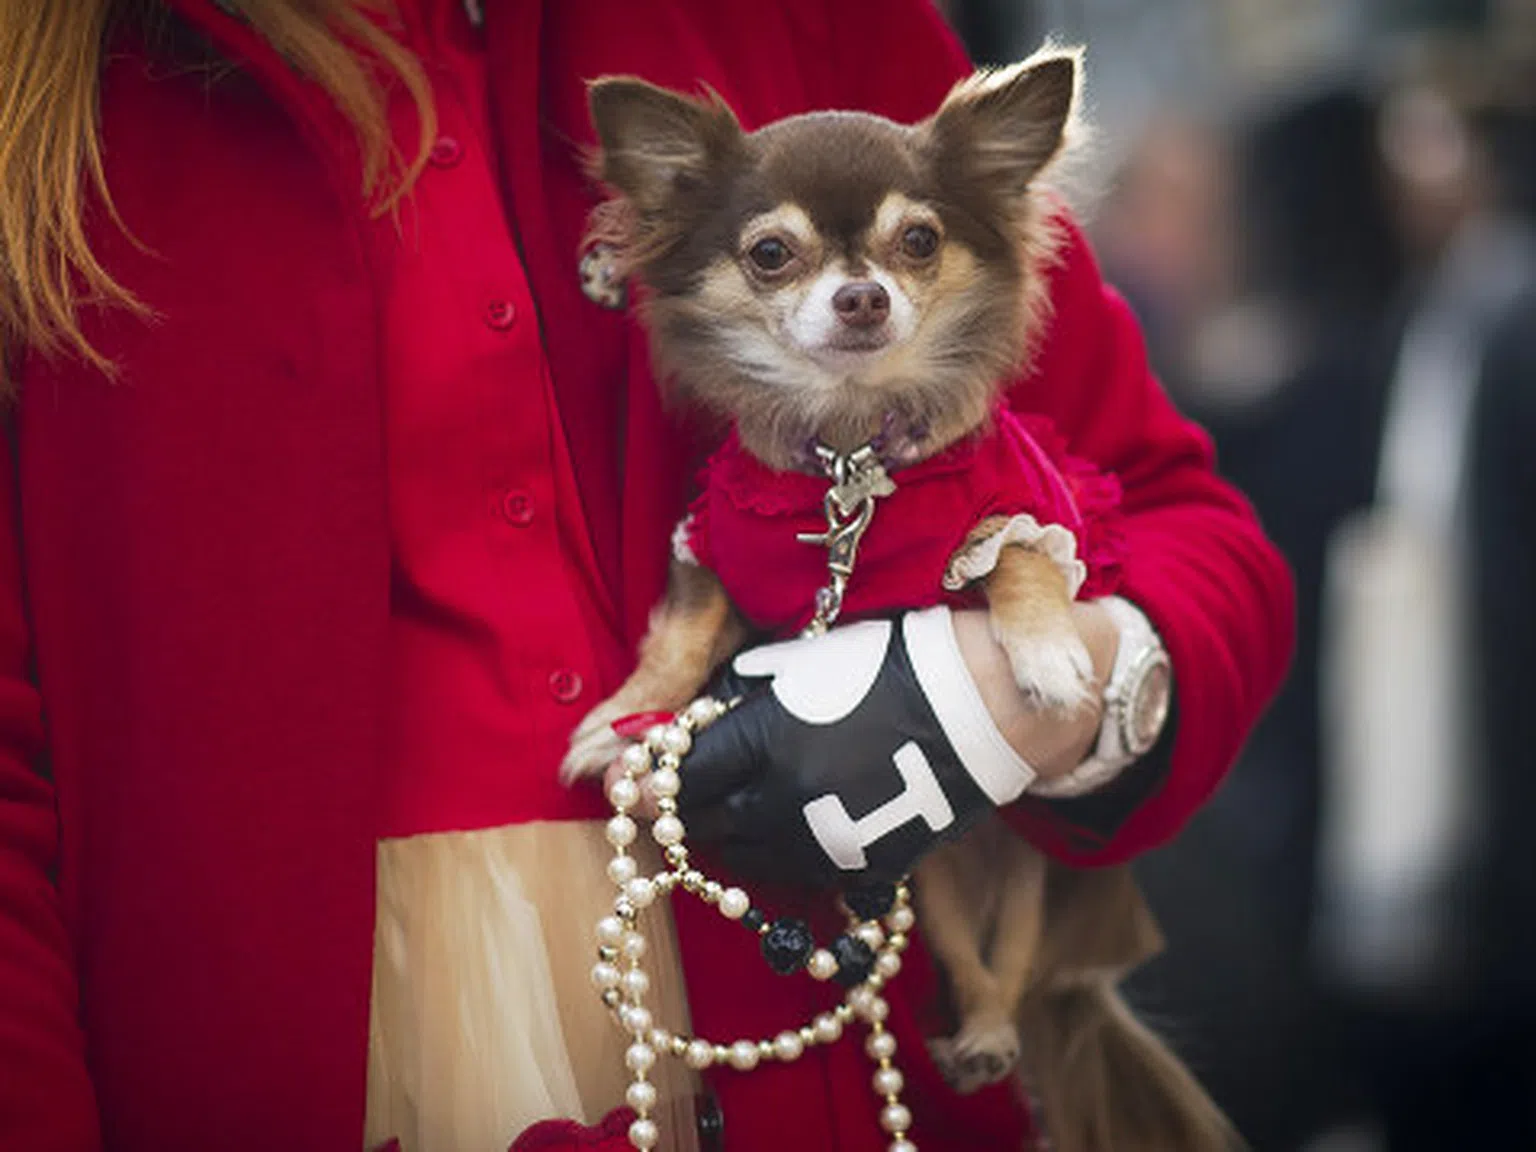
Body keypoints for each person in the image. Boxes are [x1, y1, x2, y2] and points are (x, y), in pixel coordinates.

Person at [0, 2, 1292, 1151]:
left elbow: (1184, 527)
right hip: (280, 1055)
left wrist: (1029, 697)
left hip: (828, 1050)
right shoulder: (54, 97)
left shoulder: (789, 19)